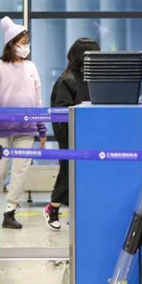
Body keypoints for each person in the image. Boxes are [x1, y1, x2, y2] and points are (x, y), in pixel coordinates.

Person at [0, 17, 47, 229]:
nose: (26, 46)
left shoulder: (31, 67)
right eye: (22, 42)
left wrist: (41, 128)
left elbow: (37, 99)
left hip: (26, 130)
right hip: (1, 129)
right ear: (11, 44)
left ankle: (10, 211)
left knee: (20, 171)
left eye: (27, 42)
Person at [44, 38, 100, 230]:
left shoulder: (90, 79)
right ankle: (53, 208)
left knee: (83, 175)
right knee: (69, 172)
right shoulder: (66, 81)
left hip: (89, 134)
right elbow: (61, 113)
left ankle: (76, 213)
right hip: (71, 135)